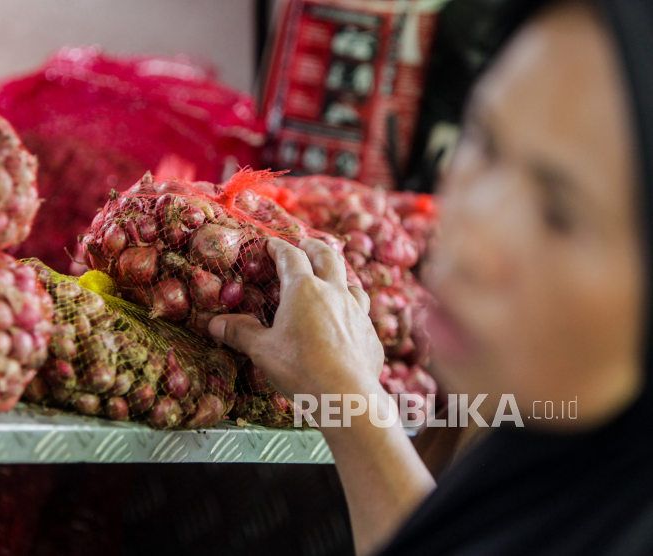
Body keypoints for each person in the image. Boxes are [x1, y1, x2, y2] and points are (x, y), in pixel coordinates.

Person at [208, 0, 653, 554]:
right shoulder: (552, 462)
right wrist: (342, 390)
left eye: (560, 214)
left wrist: (344, 392)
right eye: (485, 141)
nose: (469, 240)